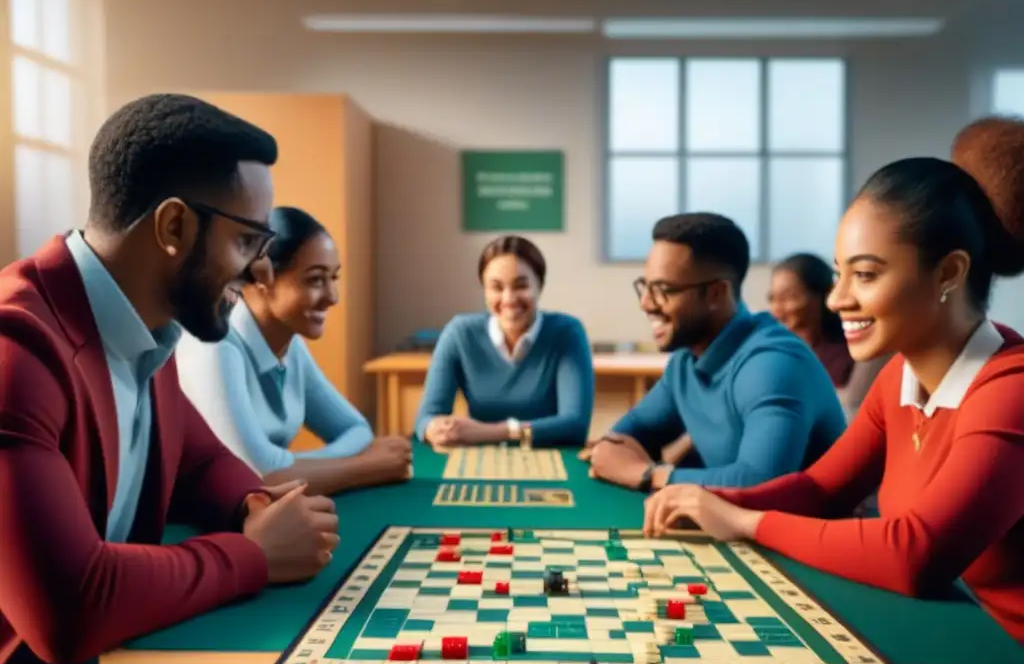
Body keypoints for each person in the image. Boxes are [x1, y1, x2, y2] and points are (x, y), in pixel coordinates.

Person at [0, 94, 339, 664]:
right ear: (174, 227)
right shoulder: (16, 351)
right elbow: (65, 610)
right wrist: (255, 556)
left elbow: (198, 462)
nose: (261, 272)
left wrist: (253, 506)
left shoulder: (148, 328)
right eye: (247, 242)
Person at [643, 117, 1024, 644]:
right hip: (955, 633)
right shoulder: (898, 377)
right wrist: (715, 500)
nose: (836, 298)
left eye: (865, 275)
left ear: (949, 273)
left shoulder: (1011, 389)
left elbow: (915, 554)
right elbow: (821, 489)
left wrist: (746, 523)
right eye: (839, 272)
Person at [589, 213, 847, 493]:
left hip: (813, 531)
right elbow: (631, 432)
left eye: (663, 290)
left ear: (716, 294)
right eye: (645, 286)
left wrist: (648, 474)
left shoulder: (773, 364)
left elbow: (762, 484)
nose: (645, 303)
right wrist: (615, 451)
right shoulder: (686, 362)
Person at [176, 205, 412, 496]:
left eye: (333, 278)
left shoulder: (291, 344)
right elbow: (258, 477)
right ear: (261, 274)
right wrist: (370, 467)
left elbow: (356, 431)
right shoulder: (213, 346)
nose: (332, 297)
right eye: (314, 279)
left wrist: (290, 466)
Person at [414, 235, 594, 448]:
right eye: (497, 288)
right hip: (480, 463)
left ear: (540, 286)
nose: (509, 299)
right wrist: (434, 429)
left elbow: (575, 426)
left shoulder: (566, 332)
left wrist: (492, 432)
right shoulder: (460, 333)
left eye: (521, 286)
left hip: (554, 462)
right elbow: (425, 419)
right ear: (484, 290)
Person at [768, 252, 890, 419]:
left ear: (824, 295)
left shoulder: (854, 349)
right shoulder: (772, 352)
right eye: (773, 298)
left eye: (790, 297)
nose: (777, 308)